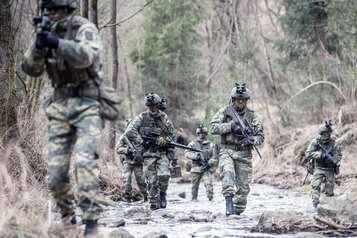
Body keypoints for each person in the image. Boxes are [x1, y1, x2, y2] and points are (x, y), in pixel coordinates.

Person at [21, 0, 104, 235]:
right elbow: (30, 69)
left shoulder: (84, 28)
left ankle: (91, 222)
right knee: (56, 173)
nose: (50, 15)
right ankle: (68, 217)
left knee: (85, 162)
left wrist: (58, 43)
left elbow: (87, 57)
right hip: (59, 107)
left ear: (67, 10)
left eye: (55, 11)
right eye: (47, 11)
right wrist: (39, 45)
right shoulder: (45, 32)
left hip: (88, 104)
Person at [210, 83, 264, 216]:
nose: (240, 102)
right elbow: (213, 128)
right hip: (226, 150)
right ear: (233, 99)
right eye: (238, 99)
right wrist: (230, 126)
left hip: (244, 154)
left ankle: (236, 212)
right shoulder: (224, 112)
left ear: (246, 101)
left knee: (243, 190)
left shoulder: (252, 117)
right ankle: (228, 201)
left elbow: (260, 137)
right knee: (227, 174)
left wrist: (252, 140)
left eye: (243, 100)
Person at [125, 93, 176, 210]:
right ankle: (153, 203)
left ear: (158, 105)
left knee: (164, 176)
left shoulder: (164, 118)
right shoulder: (141, 117)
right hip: (148, 154)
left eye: (154, 105)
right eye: (150, 106)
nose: (152, 108)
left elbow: (172, 135)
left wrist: (165, 140)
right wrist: (141, 141)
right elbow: (129, 131)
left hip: (161, 153)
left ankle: (163, 195)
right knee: (151, 181)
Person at [305, 120, 342, 209]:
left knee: (329, 190)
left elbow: (339, 155)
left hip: (329, 169)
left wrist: (334, 160)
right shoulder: (315, 142)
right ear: (321, 134)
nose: (326, 135)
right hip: (319, 168)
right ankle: (315, 206)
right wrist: (320, 155)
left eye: (328, 133)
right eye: (324, 133)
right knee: (316, 186)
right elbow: (308, 153)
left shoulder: (334, 143)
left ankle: (328, 208)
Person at [116, 120, 148, 203]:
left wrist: (141, 153)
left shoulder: (140, 136)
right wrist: (128, 150)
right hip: (128, 161)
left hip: (138, 162)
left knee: (141, 180)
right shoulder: (124, 137)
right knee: (127, 180)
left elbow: (145, 147)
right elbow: (118, 149)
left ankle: (146, 197)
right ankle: (127, 198)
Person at [185, 124, 217, 201]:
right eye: (199, 133)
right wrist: (195, 156)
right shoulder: (192, 144)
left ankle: (210, 199)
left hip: (206, 168)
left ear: (206, 134)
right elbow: (187, 153)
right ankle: (194, 199)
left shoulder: (211, 145)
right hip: (195, 168)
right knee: (194, 186)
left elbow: (214, 157)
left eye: (203, 133)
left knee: (209, 185)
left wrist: (208, 164)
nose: (201, 135)